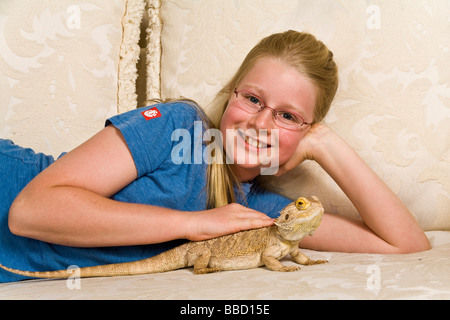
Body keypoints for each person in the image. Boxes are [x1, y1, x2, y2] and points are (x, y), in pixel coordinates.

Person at [0, 30, 430, 282]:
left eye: (287, 115)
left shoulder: (259, 211)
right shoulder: (177, 125)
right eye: (252, 99)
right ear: (230, 95)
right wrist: (194, 223)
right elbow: (31, 211)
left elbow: (405, 244)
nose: (261, 124)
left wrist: (326, 146)